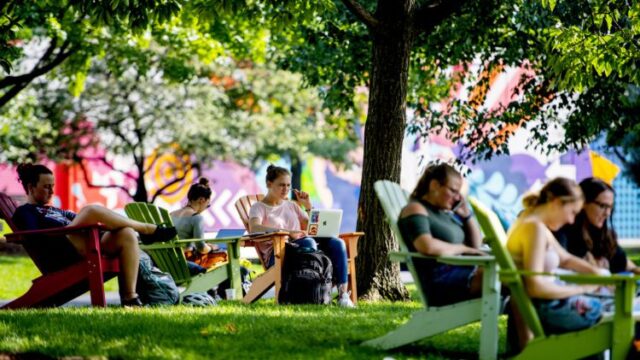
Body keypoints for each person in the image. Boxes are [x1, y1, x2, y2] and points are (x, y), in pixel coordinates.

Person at [12, 163, 177, 307]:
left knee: (126, 234)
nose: (52, 191)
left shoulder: (55, 210)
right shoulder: (24, 212)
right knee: (91, 210)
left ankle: (130, 298)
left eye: (53, 186)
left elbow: (81, 220)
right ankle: (147, 230)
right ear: (31, 187)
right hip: (62, 253)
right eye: (46, 186)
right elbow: (35, 237)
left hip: (84, 244)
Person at [507, 177, 606, 340]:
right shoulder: (534, 228)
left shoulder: (532, 222)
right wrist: (584, 288)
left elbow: (565, 259)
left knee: (608, 305)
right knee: (606, 309)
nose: (571, 220)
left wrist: (597, 272)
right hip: (547, 308)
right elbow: (535, 287)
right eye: (572, 212)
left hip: (544, 304)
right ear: (557, 202)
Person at [247, 164, 354, 307]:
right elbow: (254, 228)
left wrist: (308, 206)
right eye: (281, 185)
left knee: (337, 243)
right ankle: (314, 294)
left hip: (303, 247)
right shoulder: (259, 207)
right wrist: (286, 233)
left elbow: (311, 227)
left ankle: (343, 297)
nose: (285, 189)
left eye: (288, 185)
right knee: (308, 243)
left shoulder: (292, 206)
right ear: (269, 184)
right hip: (280, 254)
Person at [397, 163, 486, 306]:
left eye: (459, 193)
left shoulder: (445, 213)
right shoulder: (416, 209)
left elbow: (476, 245)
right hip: (442, 280)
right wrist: (463, 249)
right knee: (511, 281)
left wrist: (466, 215)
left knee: (519, 286)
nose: (458, 198)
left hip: (463, 272)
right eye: (453, 191)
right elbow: (426, 246)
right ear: (434, 185)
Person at [556, 177, 640, 275]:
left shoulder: (604, 236)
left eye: (610, 207)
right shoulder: (565, 232)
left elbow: (626, 264)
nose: (607, 213)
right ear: (584, 203)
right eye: (602, 206)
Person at [170, 178, 227, 269]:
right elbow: (201, 248)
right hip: (187, 260)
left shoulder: (171, 214)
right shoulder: (196, 217)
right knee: (224, 255)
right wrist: (212, 248)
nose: (206, 207)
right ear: (201, 200)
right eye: (208, 204)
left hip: (171, 260)